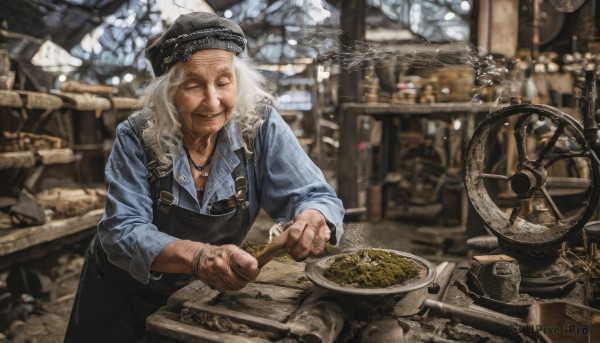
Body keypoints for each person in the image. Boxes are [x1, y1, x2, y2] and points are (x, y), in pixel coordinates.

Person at [64, 12, 344, 342]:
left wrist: (313, 217)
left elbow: (315, 194)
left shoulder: (259, 125)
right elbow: (122, 230)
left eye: (223, 83)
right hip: (122, 297)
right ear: (168, 93)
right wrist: (200, 257)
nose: (212, 101)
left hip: (202, 295)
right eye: (193, 85)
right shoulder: (137, 135)